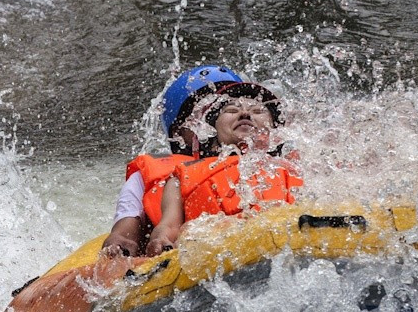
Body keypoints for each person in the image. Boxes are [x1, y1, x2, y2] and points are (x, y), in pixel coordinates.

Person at [101, 65, 302, 257]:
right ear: (180, 130)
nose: (244, 113)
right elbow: (150, 231)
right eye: (229, 108)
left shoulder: (293, 164)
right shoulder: (177, 175)